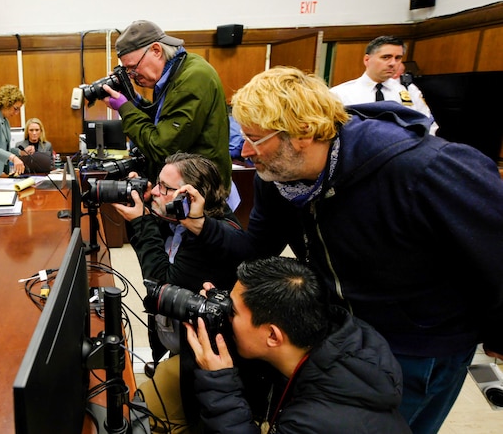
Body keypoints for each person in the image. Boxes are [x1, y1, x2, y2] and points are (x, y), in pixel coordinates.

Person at [182, 66, 503, 433]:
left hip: (419, 346)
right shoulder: (279, 177)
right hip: (342, 333)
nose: (245, 150)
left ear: (302, 133)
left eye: (255, 138)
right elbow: (257, 248)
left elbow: (494, 251)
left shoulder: (421, 168)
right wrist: (200, 224)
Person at [185, 257, 410, 433]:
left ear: (273, 336)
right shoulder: (333, 344)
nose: (226, 314)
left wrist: (220, 385)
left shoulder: (313, 422)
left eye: (231, 311)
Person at [112, 152, 244, 432]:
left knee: (143, 411)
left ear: (191, 196)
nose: (156, 191)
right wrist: (144, 208)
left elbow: (160, 285)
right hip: (182, 347)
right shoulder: (177, 218)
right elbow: (150, 250)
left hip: (208, 360)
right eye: (157, 183)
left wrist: (142, 222)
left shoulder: (210, 238)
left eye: (165, 188)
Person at [99, 20, 231, 187]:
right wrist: (134, 100)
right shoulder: (176, 72)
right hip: (186, 185)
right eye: (128, 71)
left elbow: (162, 148)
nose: (132, 75)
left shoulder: (193, 78)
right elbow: (164, 122)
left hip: (200, 191)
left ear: (156, 50)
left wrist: (125, 108)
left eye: (133, 67)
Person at [330, 35, 437, 134]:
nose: (392, 63)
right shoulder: (340, 94)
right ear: (367, 60)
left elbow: (429, 124)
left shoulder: (409, 90)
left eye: (398, 58)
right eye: (386, 57)